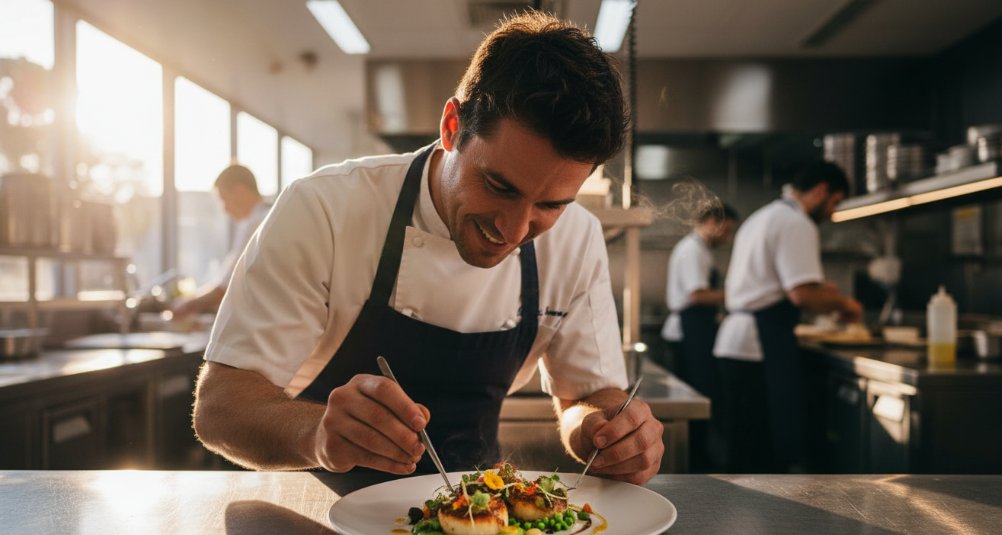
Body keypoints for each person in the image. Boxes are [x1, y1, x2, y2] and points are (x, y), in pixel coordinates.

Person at [192, 12, 664, 485]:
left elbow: (588, 395)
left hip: (482, 521)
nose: (516, 228)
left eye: (551, 204)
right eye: (499, 186)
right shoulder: (325, 208)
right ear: (452, 126)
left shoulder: (578, 239)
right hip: (315, 511)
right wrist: (317, 433)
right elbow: (221, 408)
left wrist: (603, 431)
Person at [713, 161, 862, 473]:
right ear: (821, 190)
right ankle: (761, 520)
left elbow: (774, 280)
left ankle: (733, 516)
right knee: (762, 448)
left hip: (737, 341)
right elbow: (801, 294)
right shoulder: (796, 222)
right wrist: (844, 304)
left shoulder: (763, 216)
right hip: (759, 344)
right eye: (834, 203)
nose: (832, 213)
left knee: (742, 443)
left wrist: (821, 289)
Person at [660, 201, 738, 470]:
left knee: (700, 395)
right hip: (689, 330)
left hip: (696, 329)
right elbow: (697, 294)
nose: (727, 238)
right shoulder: (693, 250)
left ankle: (699, 456)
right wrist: (739, 295)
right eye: (726, 230)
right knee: (696, 396)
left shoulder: (700, 250)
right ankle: (695, 461)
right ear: (713, 223)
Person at [171, 164, 270, 320]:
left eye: (223, 198)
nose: (224, 209)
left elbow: (228, 285)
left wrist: (187, 304)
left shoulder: (256, 223)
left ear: (240, 191)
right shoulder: (267, 217)